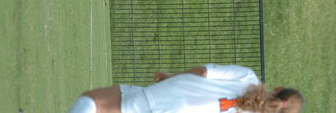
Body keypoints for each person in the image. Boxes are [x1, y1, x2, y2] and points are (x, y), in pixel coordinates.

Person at [67, 63, 305, 113]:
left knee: (92, 102)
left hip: (170, 96)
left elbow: (203, 72)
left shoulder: (248, 77)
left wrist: (170, 77)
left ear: (278, 88)